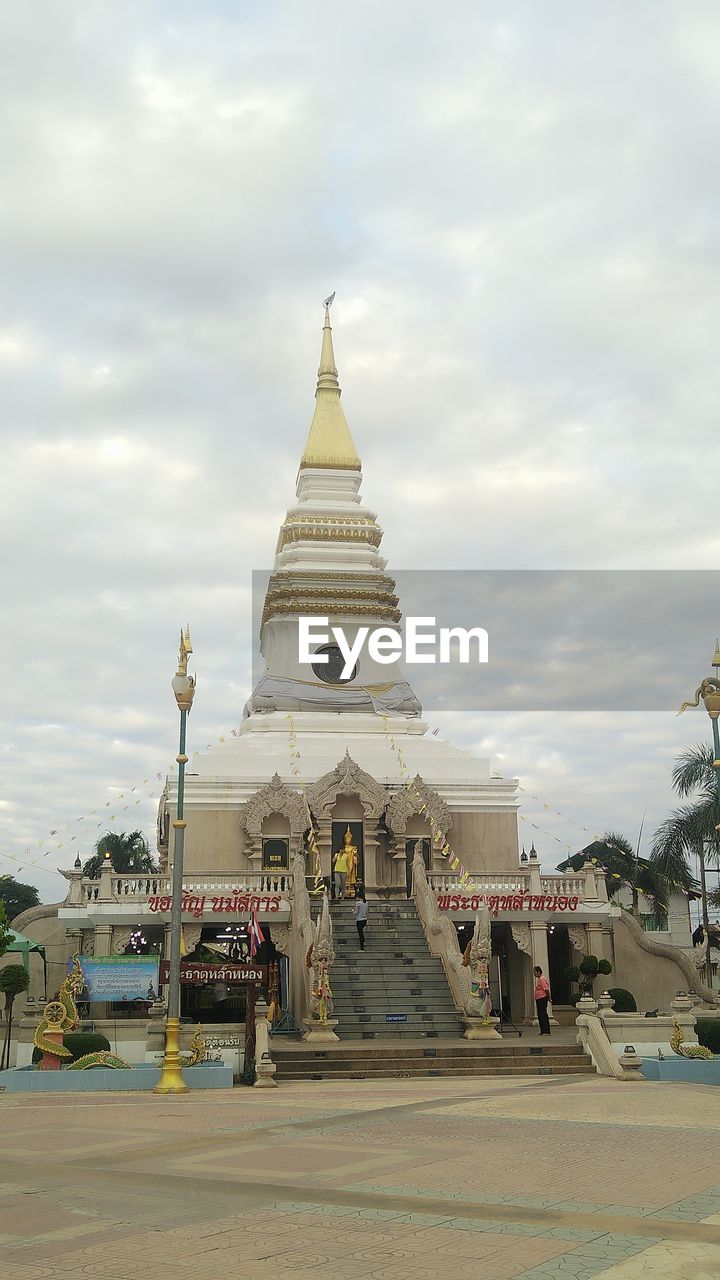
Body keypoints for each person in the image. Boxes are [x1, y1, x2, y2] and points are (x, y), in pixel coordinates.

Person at [533, 965, 551, 1035]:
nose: (534, 973)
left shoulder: (542, 979)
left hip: (542, 998)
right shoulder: (539, 979)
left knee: (543, 1014)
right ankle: (543, 1030)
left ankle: (546, 1030)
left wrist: (549, 997)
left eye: (534, 972)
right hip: (539, 998)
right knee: (540, 1014)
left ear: (538, 972)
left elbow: (546, 989)